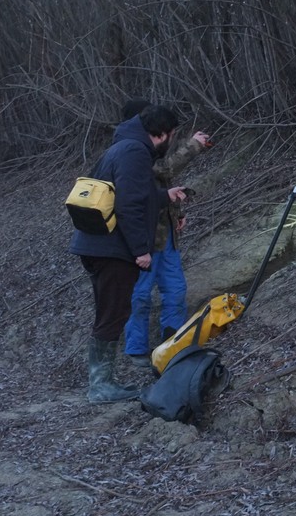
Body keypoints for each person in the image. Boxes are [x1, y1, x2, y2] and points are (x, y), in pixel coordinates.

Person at [69, 105, 187, 403]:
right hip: (112, 249)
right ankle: (101, 386)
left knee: (110, 311)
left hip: (96, 244)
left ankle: (102, 382)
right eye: (173, 135)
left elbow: (127, 195)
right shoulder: (136, 152)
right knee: (113, 313)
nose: (172, 140)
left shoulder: (123, 146)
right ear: (162, 134)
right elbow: (128, 206)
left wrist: (163, 196)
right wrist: (141, 251)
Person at [118, 99, 213, 366]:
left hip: (166, 233)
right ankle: (136, 349)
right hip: (144, 237)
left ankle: (174, 344)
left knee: (176, 290)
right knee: (140, 294)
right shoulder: (130, 150)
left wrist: (177, 214)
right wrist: (193, 146)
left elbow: (163, 184)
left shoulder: (149, 148)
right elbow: (164, 170)